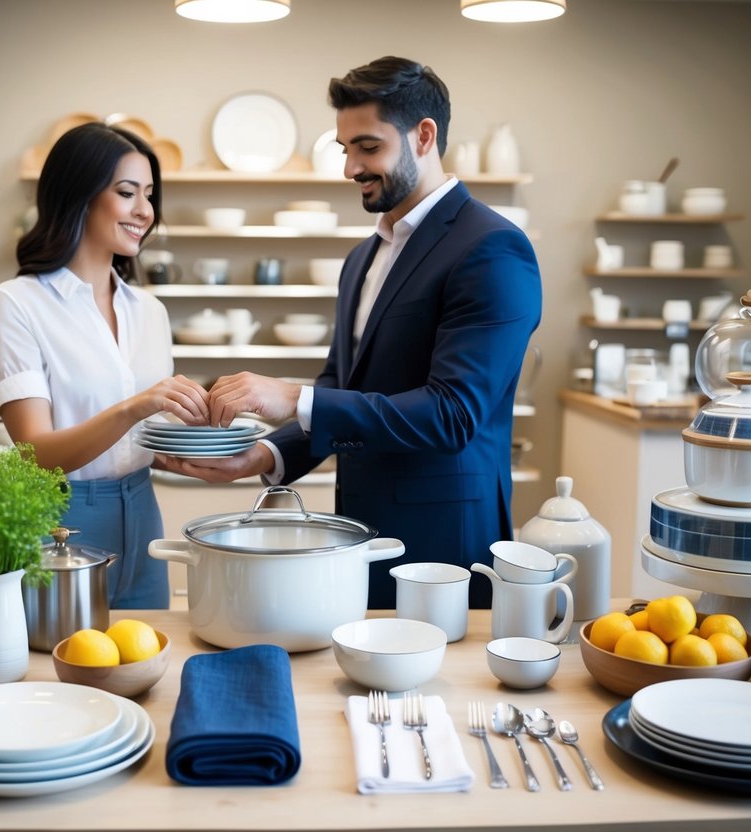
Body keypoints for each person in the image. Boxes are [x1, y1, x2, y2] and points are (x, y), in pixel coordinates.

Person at [158, 56, 542, 609]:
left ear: (424, 136)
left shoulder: (491, 248)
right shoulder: (363, 256)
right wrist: (263, 456)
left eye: (368, 147)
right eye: (345, 150)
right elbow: (343, 383)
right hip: (359, 531)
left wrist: (290, 397)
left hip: (445, 547)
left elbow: (454, 414)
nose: (350, 169)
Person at [0, 122, 209, 609]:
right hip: (61, 518)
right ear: (78, 195)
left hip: (143, 511)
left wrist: (203, 452)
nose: (145, 211)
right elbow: (35, 453)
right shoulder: (16, 304)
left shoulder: (150, 312)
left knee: (146, 665)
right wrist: (134, 407)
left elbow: (140, 443)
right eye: (127, 193)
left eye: (149, 195)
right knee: (61, 673)